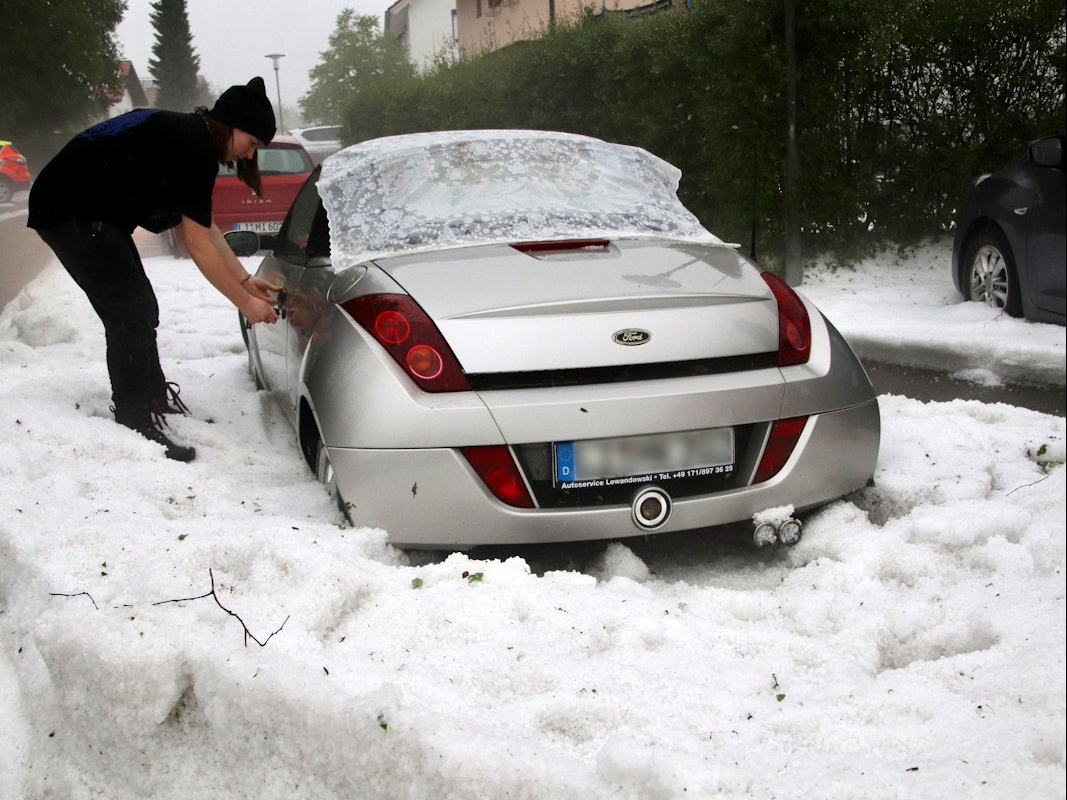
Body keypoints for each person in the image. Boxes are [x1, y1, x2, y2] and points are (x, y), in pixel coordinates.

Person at [27, 77, 282, 462]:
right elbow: (197, 247)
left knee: (140, 308)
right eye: (253, 144)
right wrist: (245, 304)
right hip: (71, 211)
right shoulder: (192, 145)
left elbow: (205, 228)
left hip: (90, 212)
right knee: (129, 313)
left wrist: (245, 280)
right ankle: (134, 420)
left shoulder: (190, 136)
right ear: (233, 124)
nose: (249, 156)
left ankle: (153, 400)